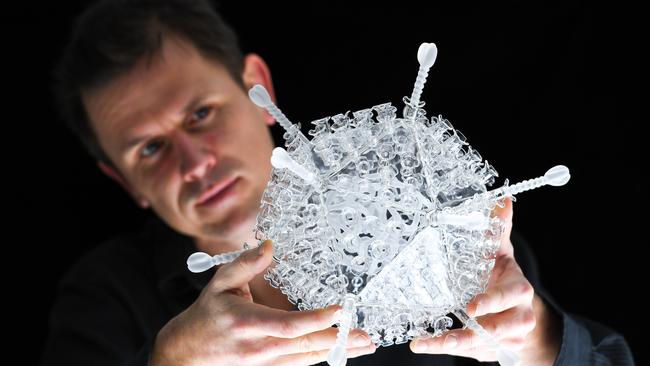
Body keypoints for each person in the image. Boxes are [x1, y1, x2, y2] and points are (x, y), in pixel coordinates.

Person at [42, 0, 634, 365]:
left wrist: (536, 345)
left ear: (259, 87)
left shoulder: (455, 250)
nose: (193, 161)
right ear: (123, 181)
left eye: (201, 114)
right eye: (150, 148)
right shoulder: (106, 299)